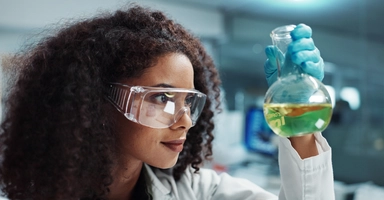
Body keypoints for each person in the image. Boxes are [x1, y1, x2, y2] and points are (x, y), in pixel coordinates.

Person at [0, 4, 334, 200]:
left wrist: (299, 117)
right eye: (162, 97)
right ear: (95, 101)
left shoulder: (197, 191)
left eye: (189, 101)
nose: (185, 120)